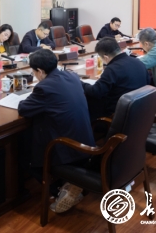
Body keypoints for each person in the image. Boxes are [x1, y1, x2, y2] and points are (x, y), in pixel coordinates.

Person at [18, 49, 95, 214]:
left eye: (34, 72)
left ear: (39, 71)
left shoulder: (44, 87)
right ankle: (71, 185)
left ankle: (59, 189)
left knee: (25, 157)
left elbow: (23, 109)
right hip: (85, 140)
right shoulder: (71, 76)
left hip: (66, 147)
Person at [82, 38, 149, 120]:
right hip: (139, 109)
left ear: (105, 57)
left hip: (119, 114)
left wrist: (81, 83)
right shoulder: (138, 62)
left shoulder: (112, 69)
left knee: (88, 101)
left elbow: (95, 91)